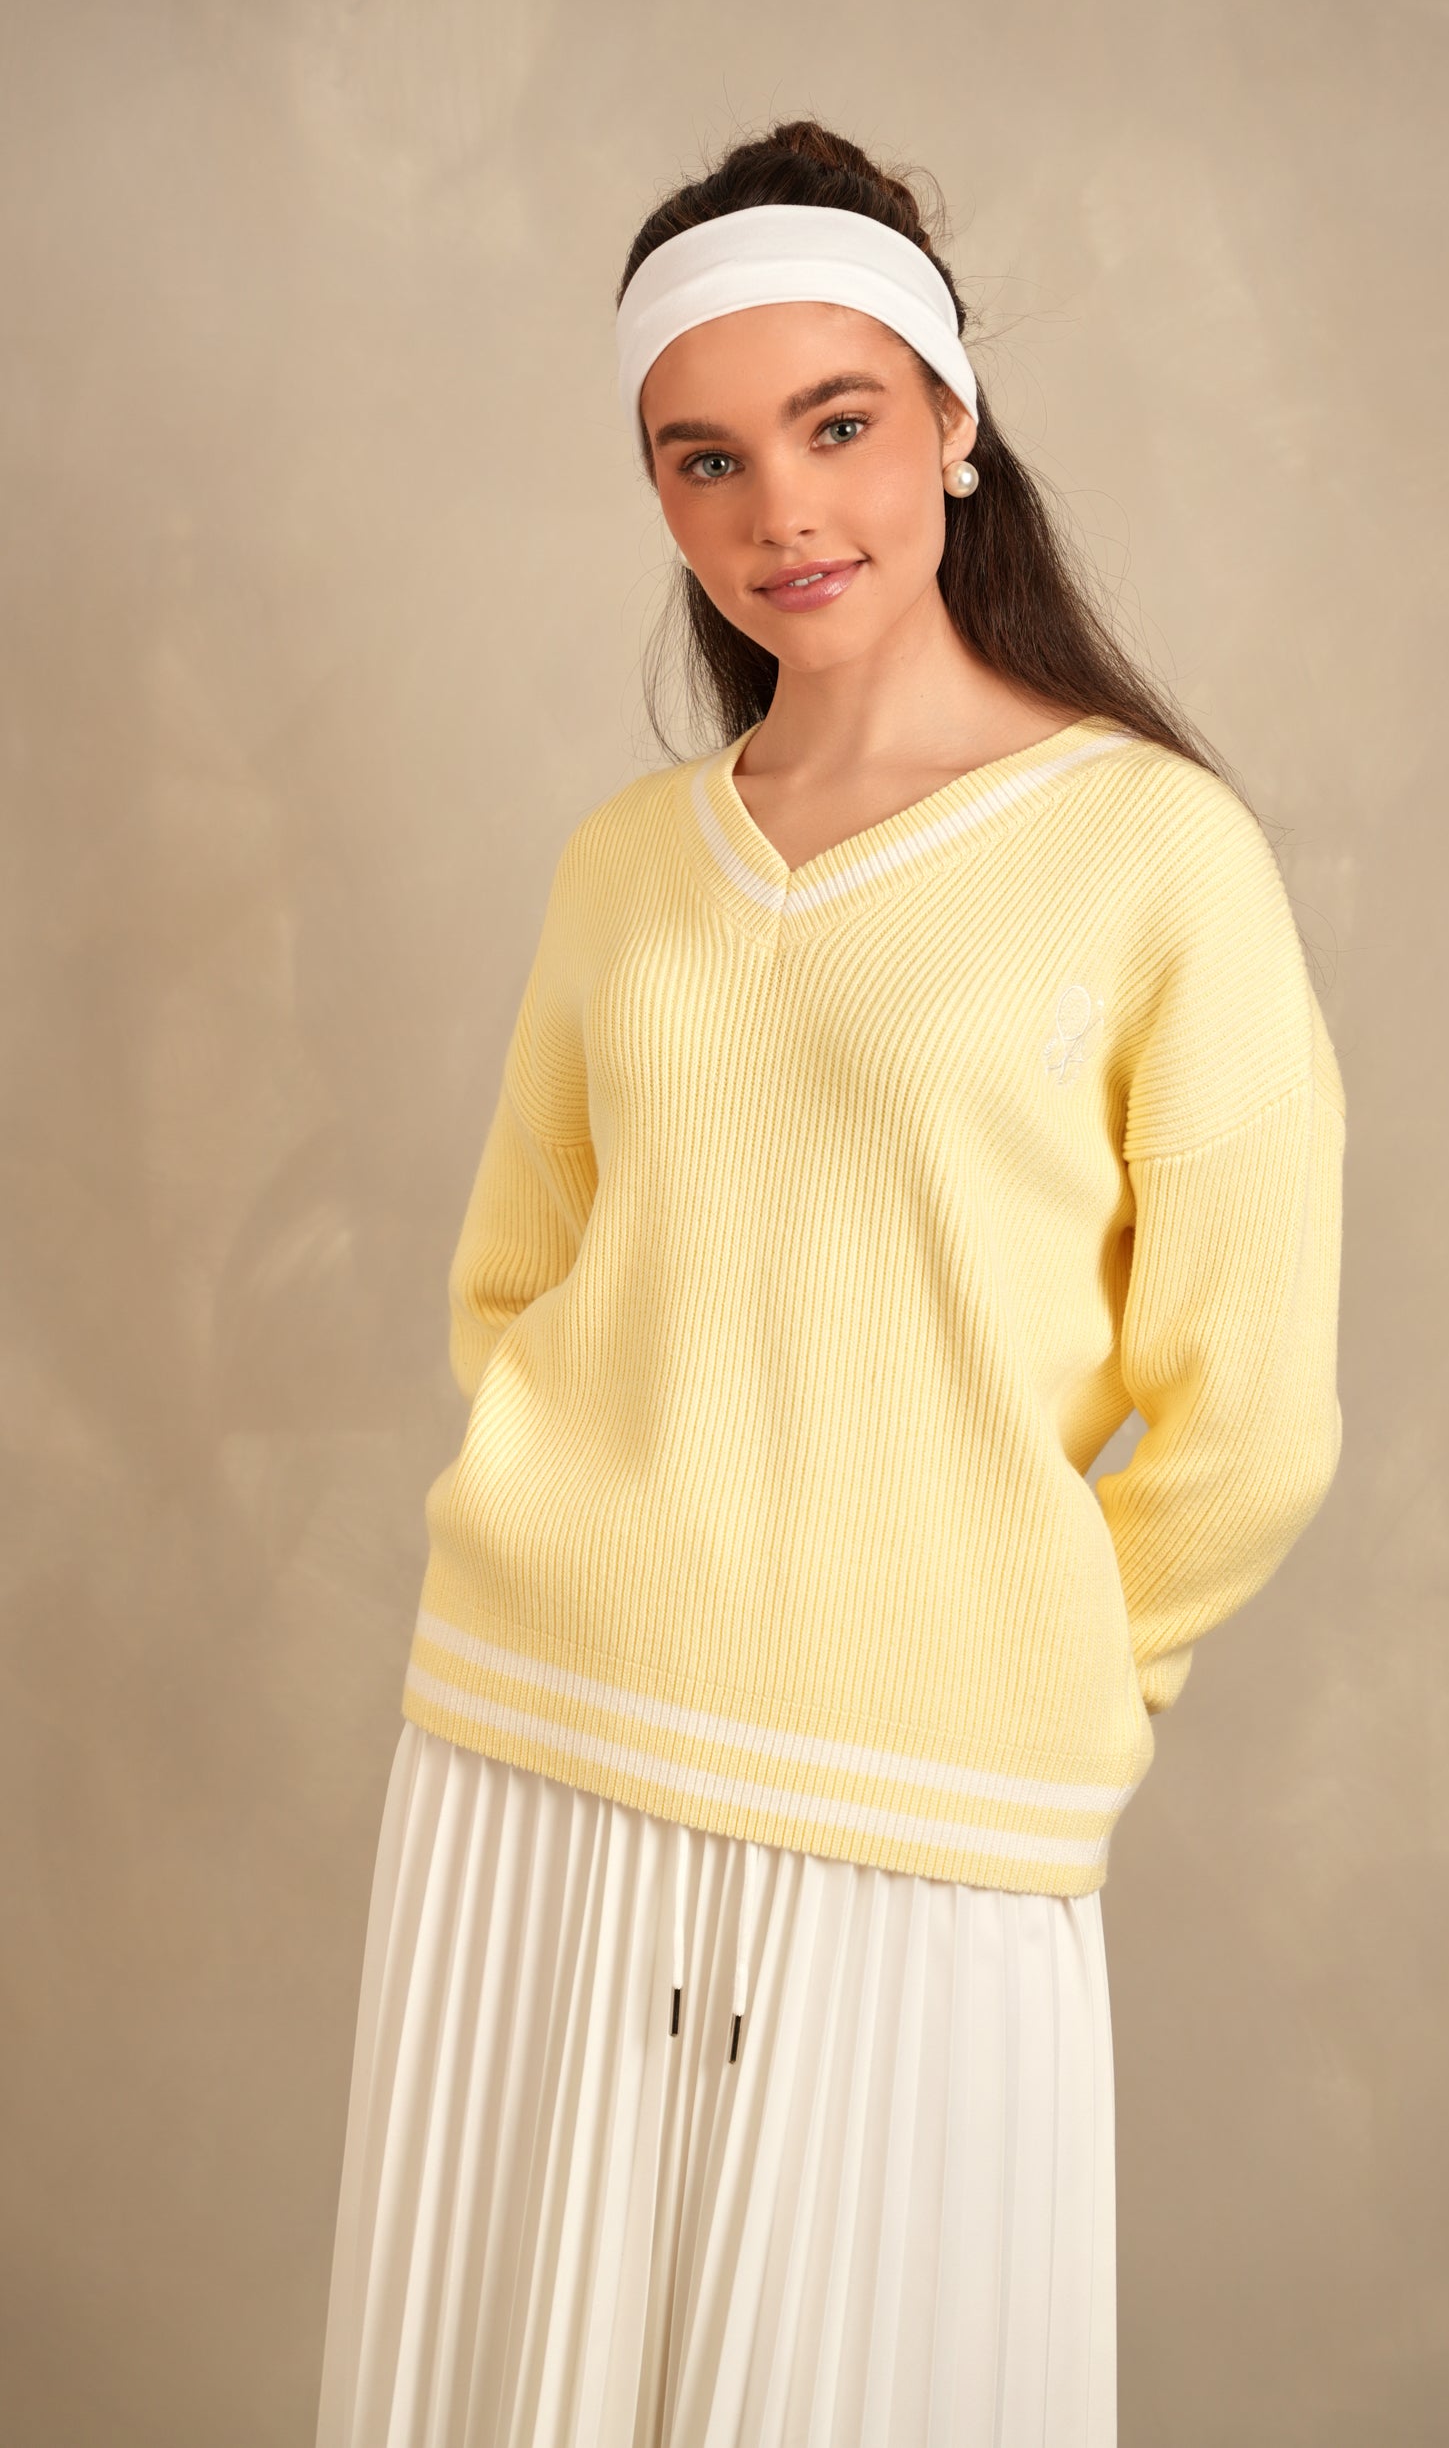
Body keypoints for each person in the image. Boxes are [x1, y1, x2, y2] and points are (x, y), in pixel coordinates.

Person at [313, 118, 1346, 2448]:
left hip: (929, 1791)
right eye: (707, 456)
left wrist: (1029, 1662)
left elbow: (1252, 1413)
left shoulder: (1158, 856)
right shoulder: (626, 868)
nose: (783, 505)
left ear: (955, 423)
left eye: (838, 421)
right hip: (531, 1738)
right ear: (661, 497)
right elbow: (518, 1278)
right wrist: (585, 1523)